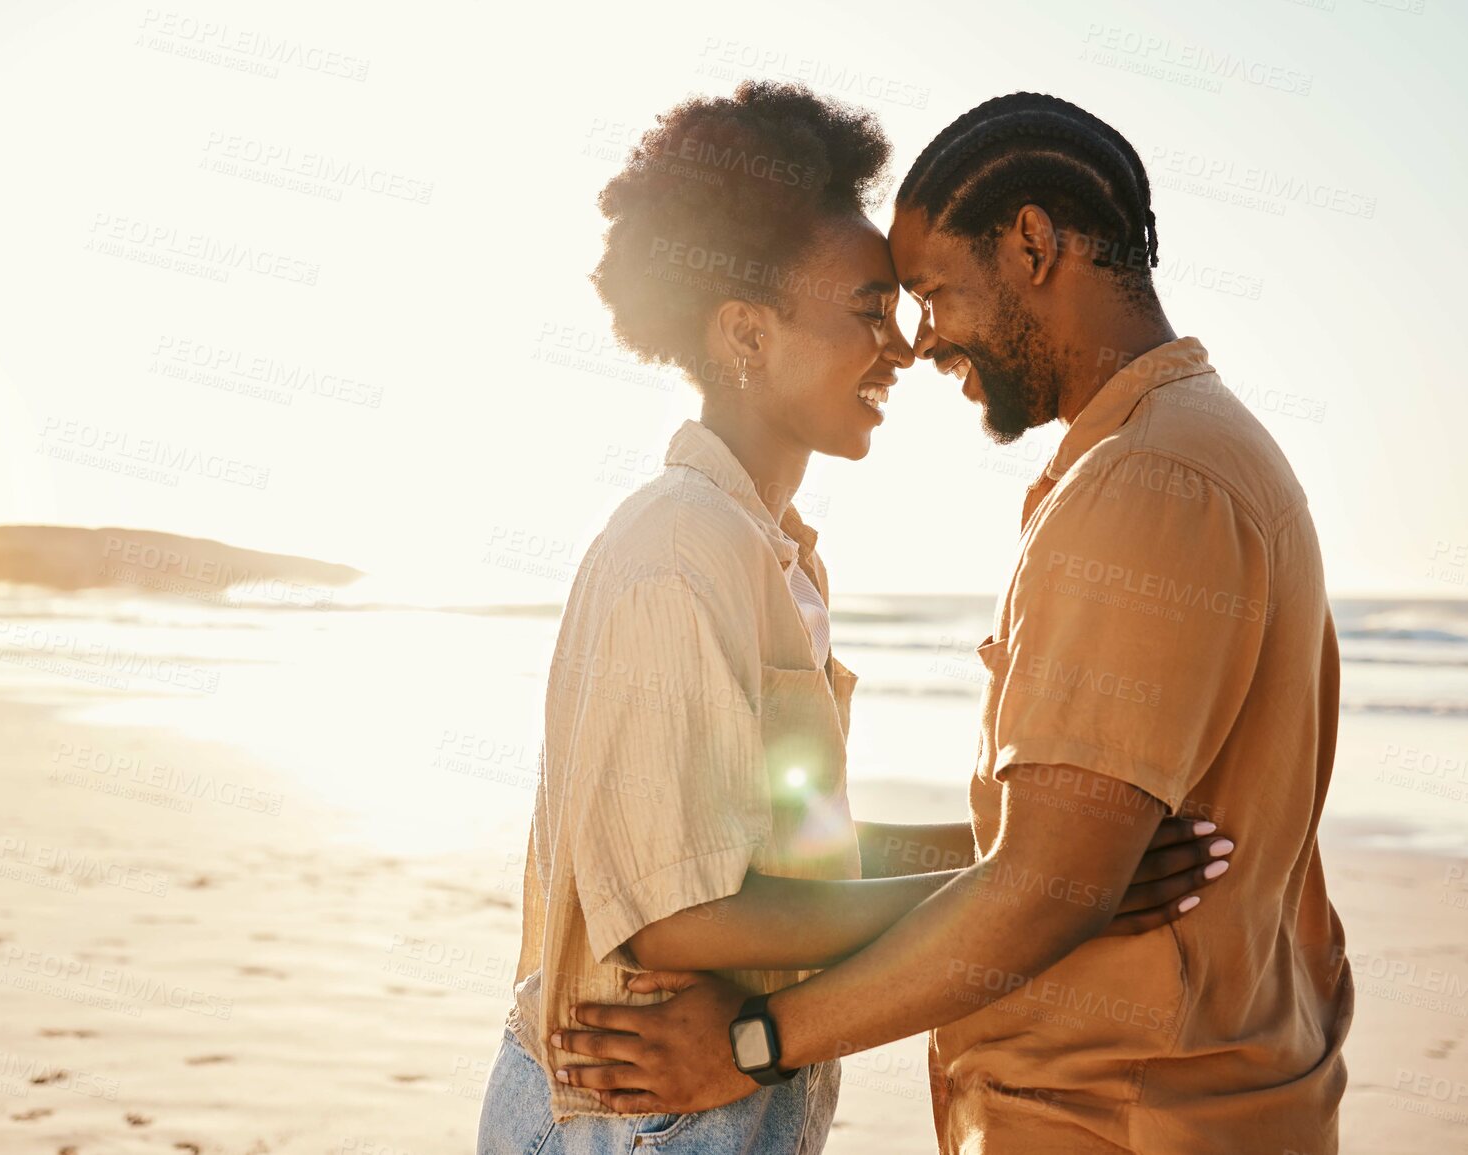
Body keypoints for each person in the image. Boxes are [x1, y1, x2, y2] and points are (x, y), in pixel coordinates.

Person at [553, 91, 1354, 1155]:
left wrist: (755, 1042)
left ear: (1031, 243)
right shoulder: (1182, 453)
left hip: (1121, 1118)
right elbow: (728, 888)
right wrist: (1040, 873)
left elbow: (1037, 892)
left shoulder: (1147, 479)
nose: (916, 344)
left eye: (926, 294)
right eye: (881, 306)